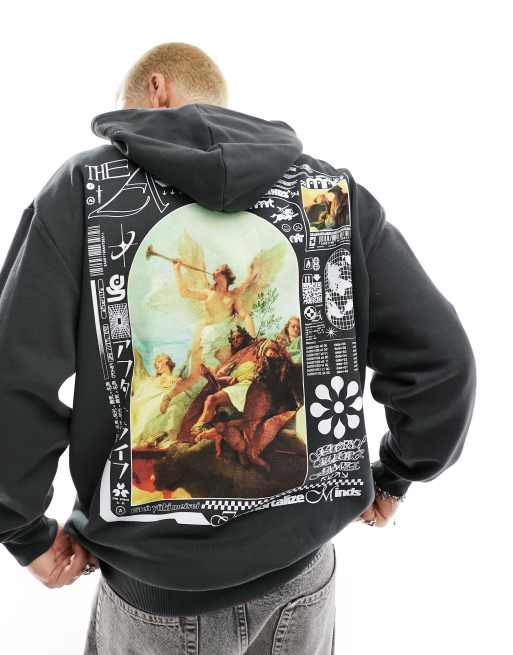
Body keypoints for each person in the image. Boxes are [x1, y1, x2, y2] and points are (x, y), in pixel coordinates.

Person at [0, 42, 477, 655]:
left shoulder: (83, 191)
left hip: (158, 593)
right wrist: (397, 475)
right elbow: (443, 361)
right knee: (201, 401)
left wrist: (24, 531)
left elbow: (12, 376)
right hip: (304, 580)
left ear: (156, 90)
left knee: (220, 397)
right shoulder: (327, 195)